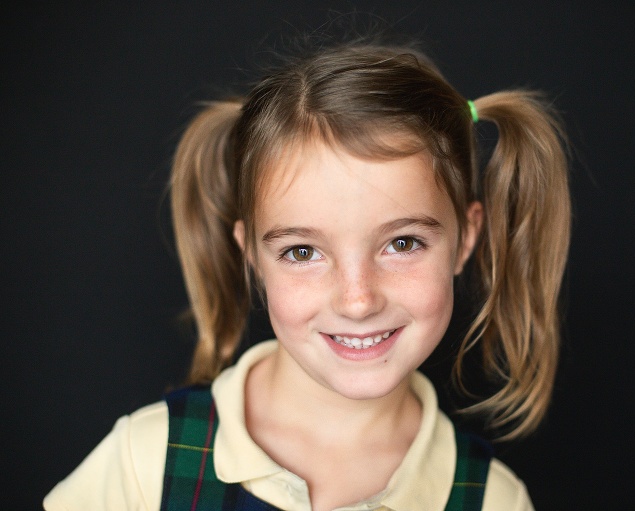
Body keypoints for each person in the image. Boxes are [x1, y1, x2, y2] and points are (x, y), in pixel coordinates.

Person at [44, 39, 570, 511]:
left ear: (464, 241)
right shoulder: (149, 462)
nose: (357, 300)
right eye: (302, 252)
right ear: (252, 254)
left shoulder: (491, 501)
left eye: (402, 243)